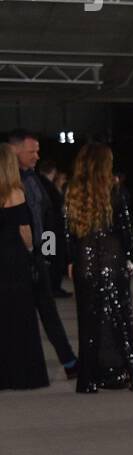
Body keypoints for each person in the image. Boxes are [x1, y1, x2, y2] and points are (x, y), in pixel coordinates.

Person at [63, 143, 133, 393]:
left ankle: (89, 378)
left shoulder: (71, 190)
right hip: (113, 257)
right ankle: (126, 372)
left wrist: (70, 261)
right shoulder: (115, 189)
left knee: (88, 320)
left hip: (85, 259)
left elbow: (66, 233)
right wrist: (130, 257)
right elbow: (125, 227)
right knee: (119, 316)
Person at [7, 130, 77, 379]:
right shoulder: (10, 184)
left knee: (47, 308)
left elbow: (47, 219)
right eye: (32, 151)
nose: (37, 156)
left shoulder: (34, 179)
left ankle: (69, 362)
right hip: (15, 258)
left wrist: (47, 254)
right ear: (15, 151)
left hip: (35, 255)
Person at [0, 144, 48, 389]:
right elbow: (25, 232)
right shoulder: (15, 194)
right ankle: (24, 375)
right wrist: (31, 253)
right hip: (14, 261)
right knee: (21, 318)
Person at [36, 159, 70, 297]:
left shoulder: (43, 184)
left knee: (51, 257)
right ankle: (51, 287)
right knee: (52, 258)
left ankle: (52, 286)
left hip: (49, 230)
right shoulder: (47, 186)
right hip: (51, 230)